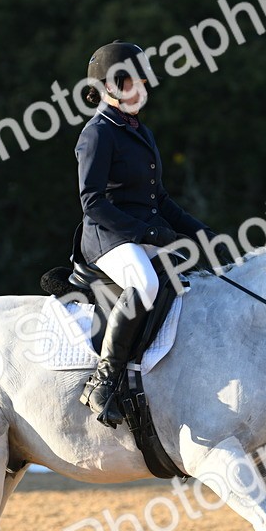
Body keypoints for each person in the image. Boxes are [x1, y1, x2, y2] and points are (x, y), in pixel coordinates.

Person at [74, 40, 221, 428]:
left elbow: (162, 199)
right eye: (130, 81)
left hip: (142, 236)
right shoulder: (97, 134)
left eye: (142, 81)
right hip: (109, 239)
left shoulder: (142, 133)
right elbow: (93, 203)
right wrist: (150, 233)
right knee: (146, 285)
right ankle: (103, 381)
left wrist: (199, 231)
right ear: (108, 86)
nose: (140, 89)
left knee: (192, 280)